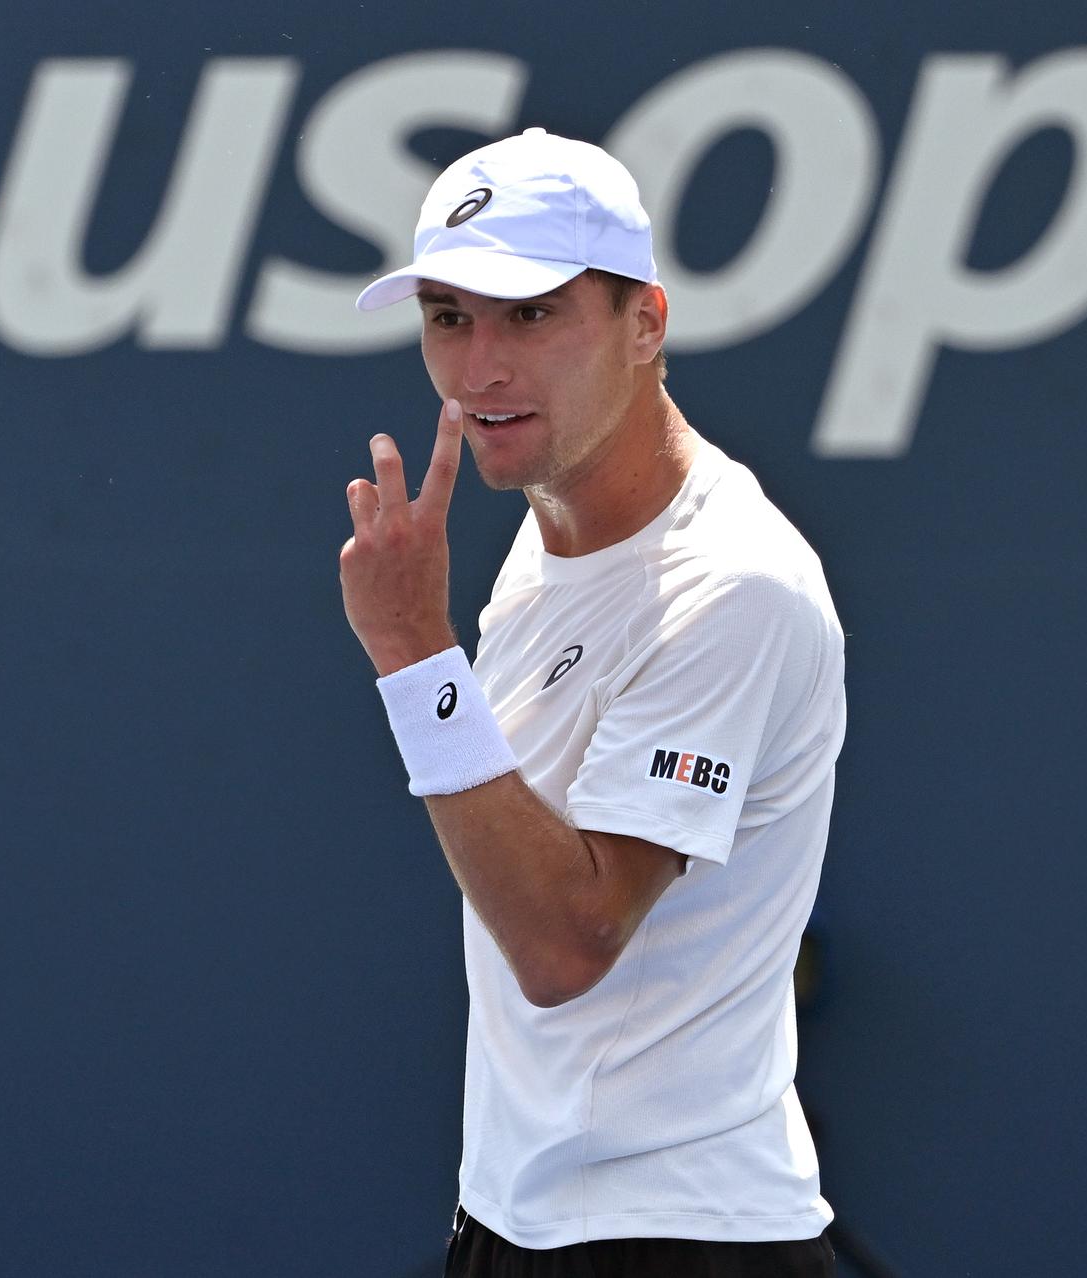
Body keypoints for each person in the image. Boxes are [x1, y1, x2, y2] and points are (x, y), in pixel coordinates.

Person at [340, 127, 846, 1278]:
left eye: (531, 315)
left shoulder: (731, 588)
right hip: (522, 1225)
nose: (481, 371)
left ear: (646, 324)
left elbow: (569, 946)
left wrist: (418, 655)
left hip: (677, 1241)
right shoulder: (548, 532)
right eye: (450, 319)